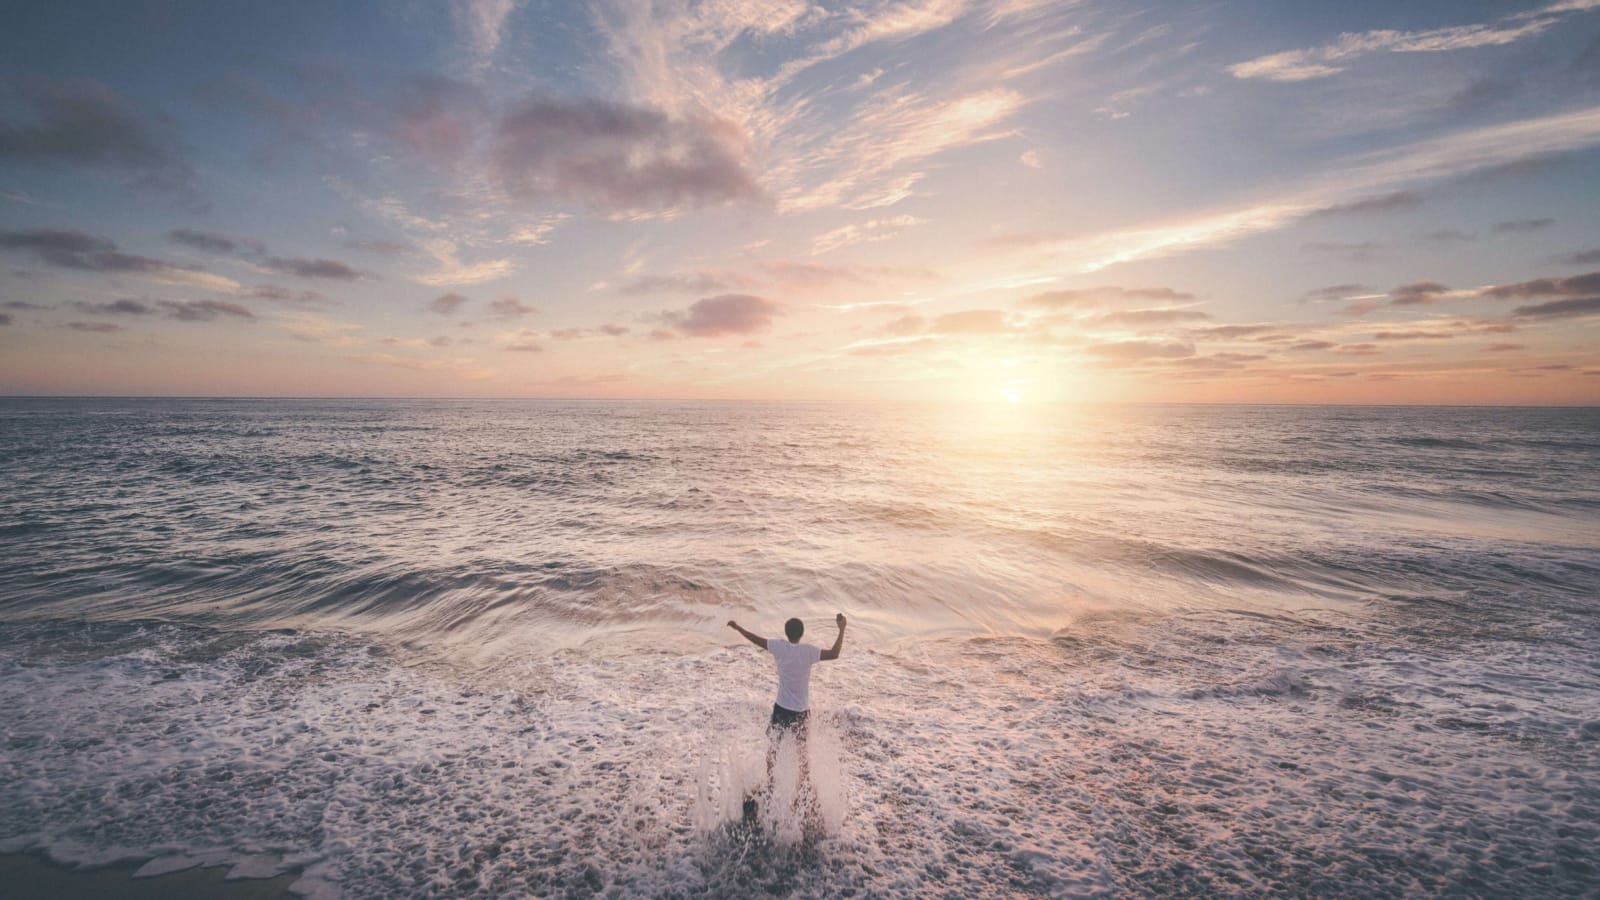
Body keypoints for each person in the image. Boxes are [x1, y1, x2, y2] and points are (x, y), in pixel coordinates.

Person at [727, 613, 846, 739]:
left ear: (786, 632)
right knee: (802, 753)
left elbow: (756, 640)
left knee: (773, 748)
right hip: (801, 710)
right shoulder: (808, 651)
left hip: (782, 708)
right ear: (802, 633)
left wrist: (738, 628)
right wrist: (842, 629)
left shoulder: (779, 647)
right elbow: (834, 654)